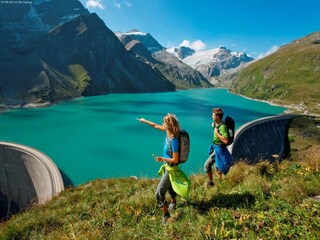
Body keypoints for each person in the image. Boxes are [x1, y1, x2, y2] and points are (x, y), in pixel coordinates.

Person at [137, 113, 191, 224]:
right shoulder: (168, 133)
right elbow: (156, 126)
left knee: (159, 193)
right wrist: (145, 120)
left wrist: (162, 159)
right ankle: (174, 203)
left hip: (172, 166)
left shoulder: (174, 140)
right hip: (168, 167)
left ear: (168, 125)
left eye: (164, 123)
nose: (162, 124)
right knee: (170, 185)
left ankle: (166, 216)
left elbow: (175, 159)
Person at [204, 108, 233, 187]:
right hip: (216, 148)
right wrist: (214, 126)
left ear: (218, 117)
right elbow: (214, 125)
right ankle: (219, 183)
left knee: (207, 165)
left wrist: (217, 133)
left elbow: (226, 140)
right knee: (218, 167)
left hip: (219, 149)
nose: (212, 116)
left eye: (213, 115)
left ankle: (213, 183)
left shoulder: (222, 127)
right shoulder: (216, 123)